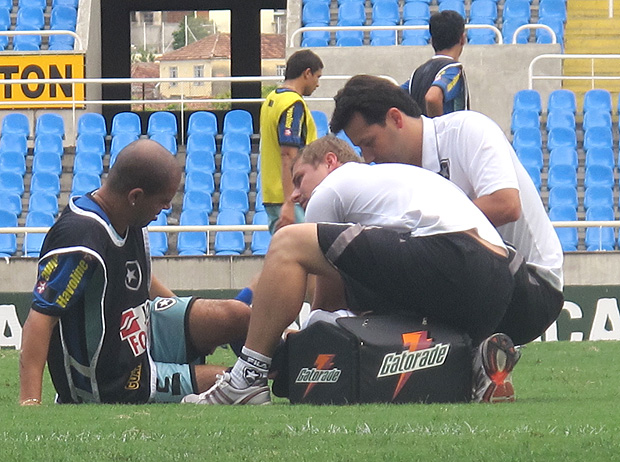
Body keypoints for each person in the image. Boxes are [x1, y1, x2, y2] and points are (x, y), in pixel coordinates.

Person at [181, 136, 517, 406]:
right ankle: (472, 361)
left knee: (287, 243)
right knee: (377, 315)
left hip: (451, 254)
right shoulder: (392, 183)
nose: (296, 195)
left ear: (330, 162)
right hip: (497, 283)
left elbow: (325, 305)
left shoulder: (336, 184)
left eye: (300, 179)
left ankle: (245, 379)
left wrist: (302, 347)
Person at [329, 74, 564, 349]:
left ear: (396, 118)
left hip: (534, 287)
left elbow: (506, 204)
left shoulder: (468, 130)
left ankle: (470, 358)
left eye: (369, 143)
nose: (367, 157)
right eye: (359, 148)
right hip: (482, 283)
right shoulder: (399, 175)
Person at [19, 140, 251, 405]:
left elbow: (139, 278)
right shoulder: (81, 237)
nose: (165, 210)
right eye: (163, 202)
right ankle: (288, 380)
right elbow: (41, 318)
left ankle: (294, 364)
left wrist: (186, 320)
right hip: (114, 378)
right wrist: (30, 403)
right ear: (135, 196)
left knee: (239, 315)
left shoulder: (129, 217)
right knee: (234, 383)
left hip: (141, 330)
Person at [259, 49, 323, 234]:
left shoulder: (272, 99)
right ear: (307, 73)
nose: (317, 84)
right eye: (317, 77)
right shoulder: (292, 104)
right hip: (291, 198)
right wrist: (289, 201)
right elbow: (287, 154)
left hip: (272, 194)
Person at [401, 10, 469, 117]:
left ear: (432, 40)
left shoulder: (418, 73)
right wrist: (437, 130)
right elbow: (432, 97)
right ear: (462, 39)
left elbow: (395, 96)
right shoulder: (453, 70)